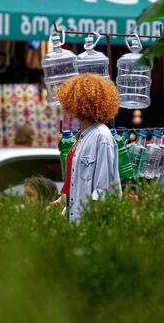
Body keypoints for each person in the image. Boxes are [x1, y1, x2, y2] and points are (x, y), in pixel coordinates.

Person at [51, 73, 122, 222]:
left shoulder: (101, 137)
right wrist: (61, 202)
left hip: (88, 226)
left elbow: (102, 190)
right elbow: (76, 182)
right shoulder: (80, 137)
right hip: (74, 222)